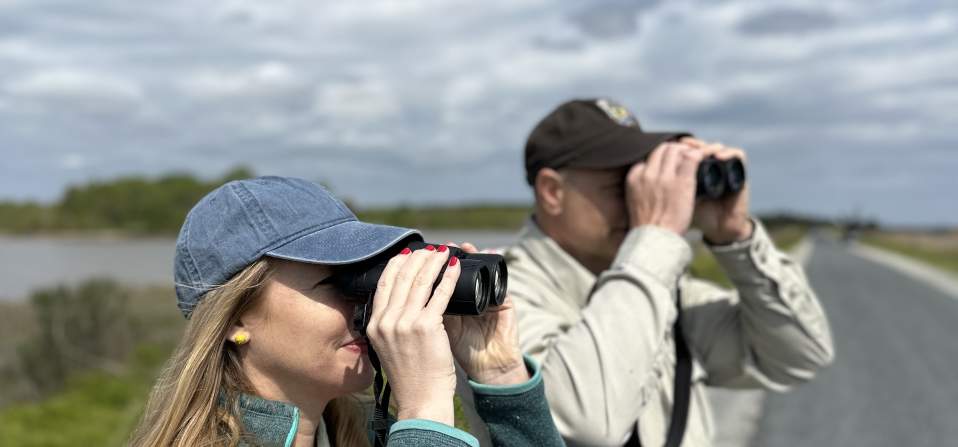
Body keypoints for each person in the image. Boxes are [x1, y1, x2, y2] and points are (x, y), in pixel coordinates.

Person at [461, 98, 835, 446]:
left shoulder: (665, 292)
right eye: (624, 186)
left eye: (647, 182)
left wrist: (736, 238)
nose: (641, 201)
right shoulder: (496, 298)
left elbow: (799, 354)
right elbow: (590, 420)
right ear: (553, 192)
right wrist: (653, 238)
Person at [129, 176, 564, 447]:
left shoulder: (360, 431)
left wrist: (501, 377)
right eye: (339, 283)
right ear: (235, 319)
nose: (368, 302)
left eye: (370, 278)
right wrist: (424, 412)